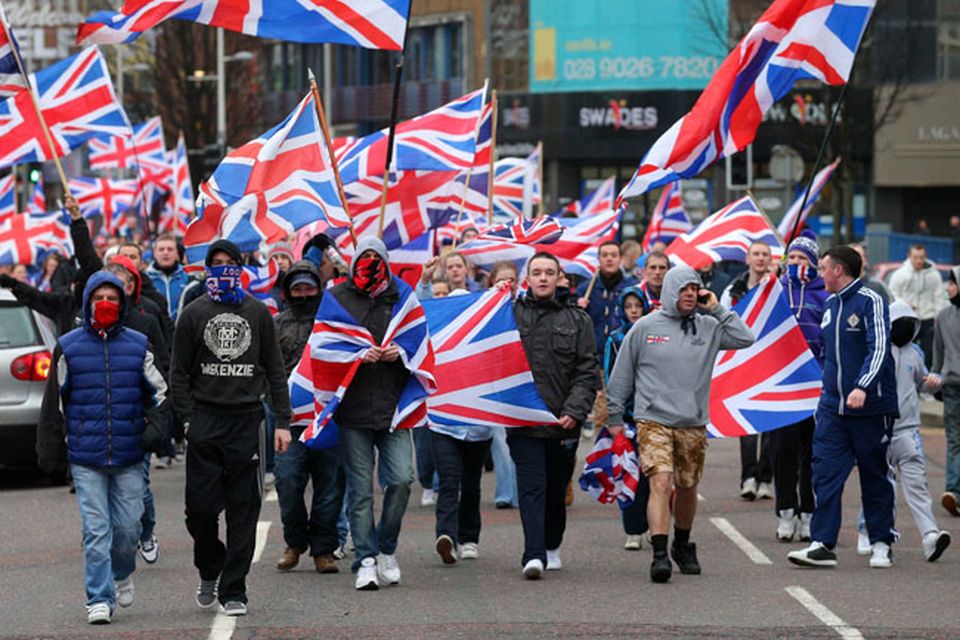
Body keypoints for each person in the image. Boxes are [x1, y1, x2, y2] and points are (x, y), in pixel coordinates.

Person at [607, 265, 754, 583]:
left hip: (692, 421)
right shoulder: (645, 327)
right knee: (661, 482)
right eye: (684, 288)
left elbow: (746, 338)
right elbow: (622, 374)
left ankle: (683, 544)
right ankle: (660, 553)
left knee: (687, 487)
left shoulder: (708, 326)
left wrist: (716, 308)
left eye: (694, 288)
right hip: (653, 420)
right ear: (671, 291)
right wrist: (614, 416)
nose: (689, 294)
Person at [170, 239, 292, 616]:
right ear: (207, 269)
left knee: (244, 508)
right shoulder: (193, 313)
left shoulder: (257, 313)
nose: (223, 269)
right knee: (200, 511)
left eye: (230, 263)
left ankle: (234, 588)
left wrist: (283, 421)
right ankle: (211, 567)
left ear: (241, 267)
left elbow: (274, 369)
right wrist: (188, 418)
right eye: (216, 263)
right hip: (205, 421)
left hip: (246, 422)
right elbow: (178, 373)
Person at [38, 271, 168, 624]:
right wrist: (50, 449)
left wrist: (154, 433)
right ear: (88, 303)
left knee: (127, 529)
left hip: (129, 453)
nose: (106, 304)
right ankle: (98, 597)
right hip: (86, 456)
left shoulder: (139, 344)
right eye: (99, 298)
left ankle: (123, 571)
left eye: (113, 298)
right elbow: (55, 402)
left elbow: (161, 395)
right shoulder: (68, 346)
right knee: (96, 531)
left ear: (123, 303)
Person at [788, 246, 898, 569]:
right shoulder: (830, 305)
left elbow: (878, 347)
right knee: (825, 473)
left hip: (870, 408)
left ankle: (881, 542)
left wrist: (862, 385)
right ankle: (822, 543)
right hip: (833, 409)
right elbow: (826, 354)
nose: (819, 274)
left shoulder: (872, 301)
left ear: (838, 270)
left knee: (875, 475)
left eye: (823, 268)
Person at [326, 237, 418, 591]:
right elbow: (324, 346)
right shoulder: (338, 297)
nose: (369, 262)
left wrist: (403, 353)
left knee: (401, 480)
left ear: (385, 261)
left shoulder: (403, 295)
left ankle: (386, 548)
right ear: (352, 263)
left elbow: (420, 341)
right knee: (360, 490)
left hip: (393, 408)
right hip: (353, 410)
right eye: (363, 257)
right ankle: (365, 559)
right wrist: (354, 356)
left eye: (375, 257)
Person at [510, 252, 597, 579]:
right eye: (537, 272)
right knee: (531, 489)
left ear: (560, 278)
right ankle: (533, 555)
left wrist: (574, 412)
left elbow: (587, 370)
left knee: (555, 490)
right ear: (528, 279)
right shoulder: (511, 314)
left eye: (549, 272)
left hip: (563, 425)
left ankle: (551, 544)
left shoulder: (578, 320)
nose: (543, 278)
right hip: (524, 423)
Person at [854, 300, 951, 561]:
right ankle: (866, 530)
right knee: (879, 486)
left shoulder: (915, 353)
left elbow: (924, 384)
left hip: (909, 431)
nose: (906, 328)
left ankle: (930, 536)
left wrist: (934, 382)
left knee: (917, 486)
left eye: (911, 323)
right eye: (902, 323)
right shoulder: (874, 351)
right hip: (880, 429)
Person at [272, 261, 345, 575]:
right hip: (289, 421)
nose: (303, 294)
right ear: (288, 291)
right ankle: (295, 541)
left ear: (319, 288)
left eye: (309, 288)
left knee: (330, 485)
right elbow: (267, 368)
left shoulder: (334, 322)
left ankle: (324, 549)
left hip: (329, 417)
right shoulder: (276, 324)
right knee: (287, 482)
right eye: (297, 288)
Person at [771, 232, 828, 542]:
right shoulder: (776, 293)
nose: (796, 263)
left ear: (814, 263)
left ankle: (808, 511)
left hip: (815, 386)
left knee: (813, 451)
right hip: (780, 387)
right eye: (791, 258)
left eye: (802, 259)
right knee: (782, 450)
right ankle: (786, 511)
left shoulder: (824, 296)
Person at [720, 241, 774, 501]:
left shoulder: (777, 288)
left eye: (765, 254)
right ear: (747, 258)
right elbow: (722, 321)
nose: (760, 258)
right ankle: (748, 478)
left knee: (772, 426)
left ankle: (766, 478)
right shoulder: (734, 291)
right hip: (743, 361)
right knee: (748, 424)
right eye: (756, 254)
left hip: (772, 362)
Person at [603, 285, 652, 551]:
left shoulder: (655, 334)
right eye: (629, 307)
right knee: (629, 472)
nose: (634, 311)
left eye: (638, 306)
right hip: (628, 416)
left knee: (654, 472)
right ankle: (633, 529)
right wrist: (615, 415)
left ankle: (654, 524)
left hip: (654, 413)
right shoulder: (615, 339)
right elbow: (611, 377)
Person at [488, 262, 520, 509]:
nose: (508, 284)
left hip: (521, 378)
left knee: (521, 439)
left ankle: (523, 492)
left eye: (512, 279)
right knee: (499, 438)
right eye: (502, 280)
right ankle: (505, 493)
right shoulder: (484, 308)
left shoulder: (524, 306)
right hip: (495, 379)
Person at [576, 241, 639, 359]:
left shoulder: (633, 287)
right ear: (599, 259)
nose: (609, 259)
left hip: (623, 355)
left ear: (620, 258)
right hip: (592, 357)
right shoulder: (585, 289)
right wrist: (577, 307)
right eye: (605, 255)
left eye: (614, 255)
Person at [889, 244, 944, 368]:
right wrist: (904, 304)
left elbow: (938, 297)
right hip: (908, 319)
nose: (919, 261)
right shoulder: (900, 274)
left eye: (921, 257)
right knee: (907, 350)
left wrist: (938, 317)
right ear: (909, 256)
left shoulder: (933, 275)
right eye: (916, 257)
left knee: (929, 353)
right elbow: (893, 294)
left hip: (928, 318)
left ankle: (927, 378)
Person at [934, 266, 960, 516]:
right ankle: (954, 491)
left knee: (955, 441)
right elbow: (938, 352)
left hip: (951, 383)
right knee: (954, 439)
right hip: (952, 386)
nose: (948, 287)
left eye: (952, 283)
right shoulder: (942, 316)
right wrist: (936, 379)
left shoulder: (943, 316)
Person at [145, 233, 190, 321]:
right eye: (161, 249)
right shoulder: (146, 279)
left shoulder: (188, 277)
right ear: (154, 253)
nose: (165, 253)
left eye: (170, 249)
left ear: (177, 253)